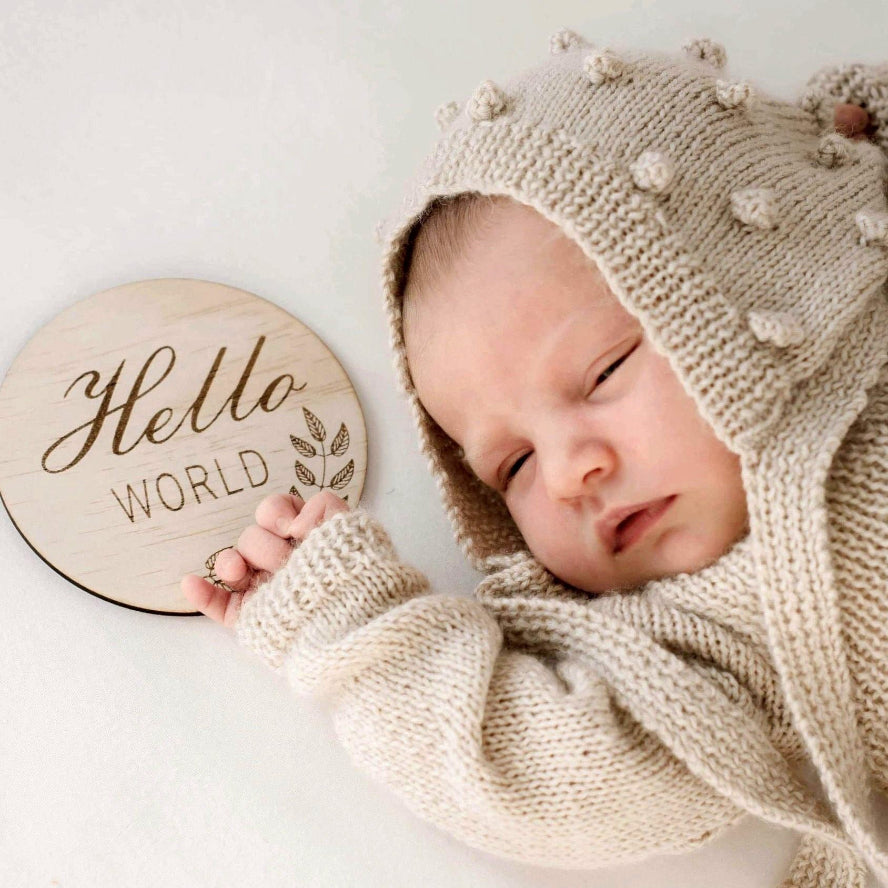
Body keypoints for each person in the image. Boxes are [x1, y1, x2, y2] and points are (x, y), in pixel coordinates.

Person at [182, 34, 888, 887]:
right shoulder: (713, 629)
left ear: (746, 270)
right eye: (510, 468)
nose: (565, 474)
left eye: (602, 373)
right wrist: (352, 624)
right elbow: (556, 779)